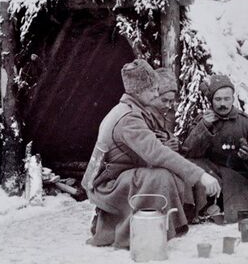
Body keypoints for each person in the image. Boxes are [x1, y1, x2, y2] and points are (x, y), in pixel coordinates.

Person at [81, 59, 220, 248]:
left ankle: (153, 228)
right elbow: (157, 153)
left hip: (115, 177)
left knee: (165, 173)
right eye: (154, 90)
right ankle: (134, 233)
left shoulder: (128, 110)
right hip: (109, 185)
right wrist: (201, 176)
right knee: (159, 177)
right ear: (140, 91)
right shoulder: (129, 118)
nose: (156, 94)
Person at [182, 74, 248, 223]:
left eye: (227, 99)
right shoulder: (202, 120)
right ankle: (204, 206)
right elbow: (188, 152)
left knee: (244, 212)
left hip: (238, 175)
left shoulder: (245, 121)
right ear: (211, 101)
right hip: (211, 175)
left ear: (233, 99)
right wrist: (204, 127)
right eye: (218, 99)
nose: (223, 104)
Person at [146, 67, 179, 152]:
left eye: (171, 101)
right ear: (154, 96)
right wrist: (164, 148)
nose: (168, 105)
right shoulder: (143, 116)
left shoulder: (160, 115)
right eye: (164, 100)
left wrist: (171, 139)